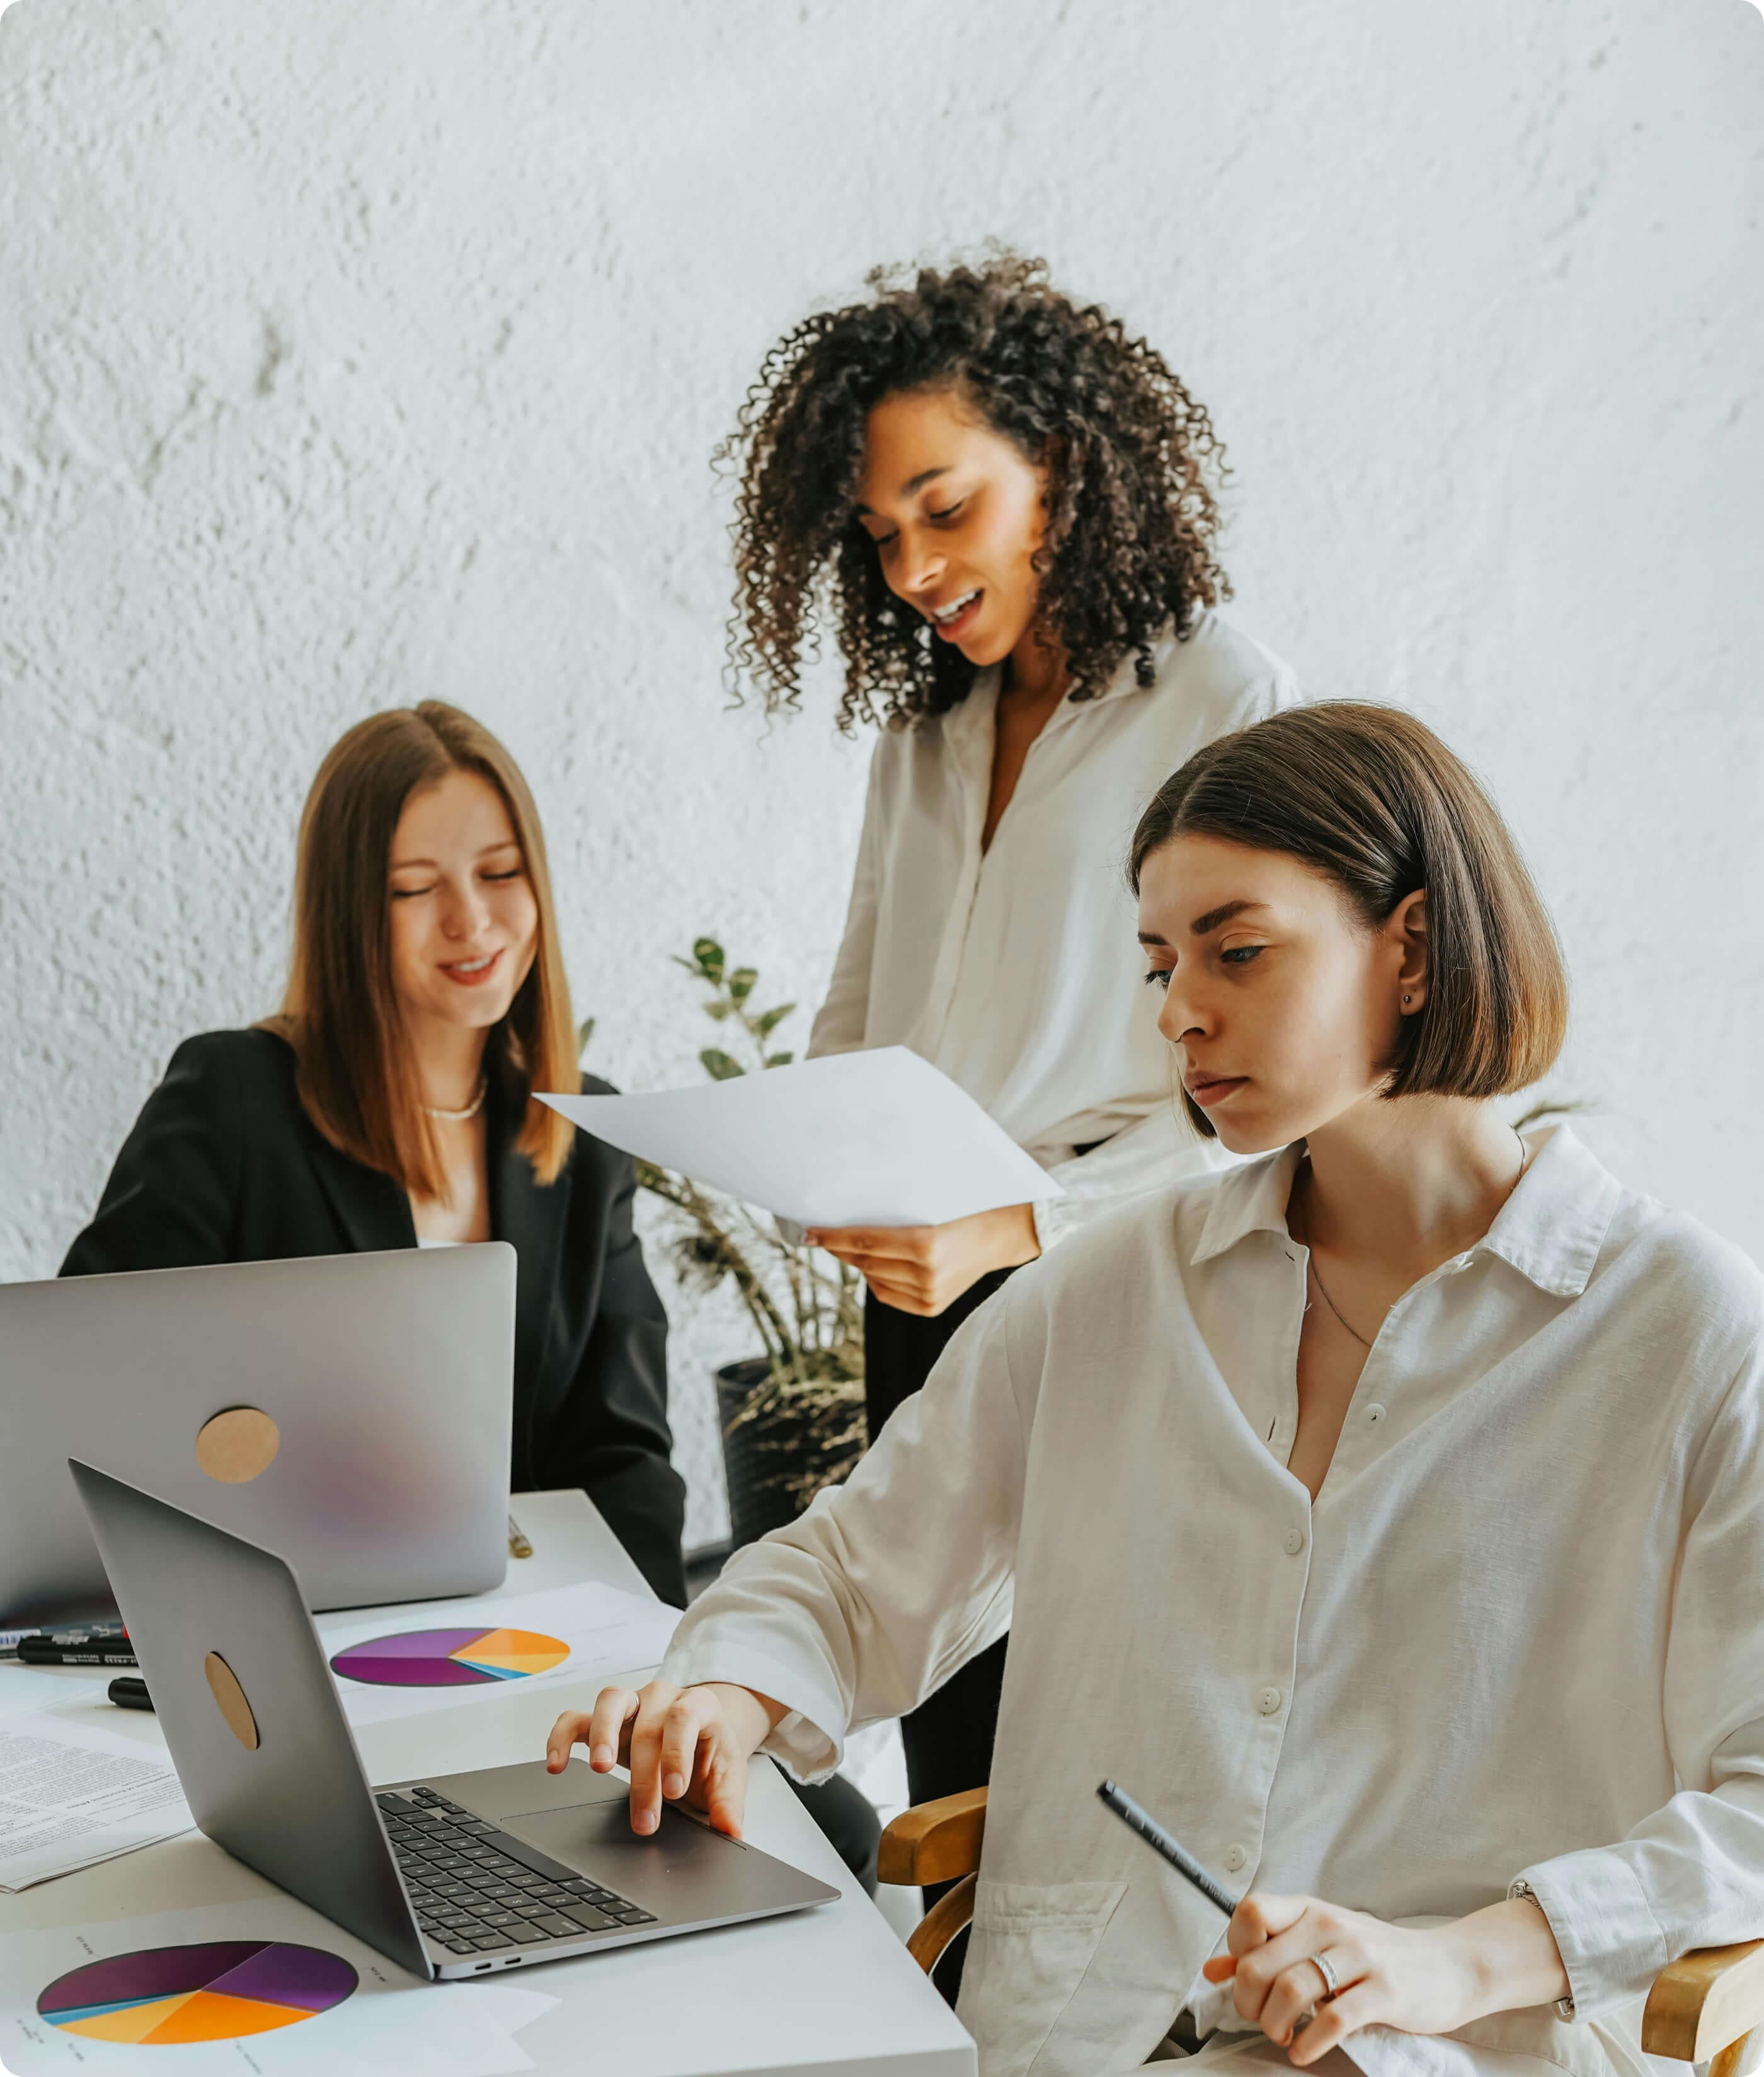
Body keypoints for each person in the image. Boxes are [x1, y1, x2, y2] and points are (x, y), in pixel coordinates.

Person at [547, 703, 1764, 2077]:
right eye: (1156, 963)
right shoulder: (1106, 1294)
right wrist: (725, 1692)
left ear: (1410, 948)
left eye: (1234, 951)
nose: (1179, 1009)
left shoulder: (1679, 1330)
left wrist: (1465, 1955)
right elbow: (850, 1571)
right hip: (1078, 2034)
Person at [58, 700, 881, 1889]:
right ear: (350, 913)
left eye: (502, 873)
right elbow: (81, 1396)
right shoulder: (233, 1097)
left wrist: (656, 1672)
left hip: (519, 1643)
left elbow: (628, 1461)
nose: (473, 921)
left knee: (829, 1835)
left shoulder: (576, 1133)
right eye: (413, 890)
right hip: (290, 1651)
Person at [721, 253, 1298, 1812]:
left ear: (1058, 469)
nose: (909, 563)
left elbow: (1265, 1090)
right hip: (922, 1299)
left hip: (1113, 1284)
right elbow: (859, 1011)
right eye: (879, 531)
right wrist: (818, 1174)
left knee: (1095, 1768)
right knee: (952, 1779)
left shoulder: (1217, 699)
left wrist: (1022, 1219)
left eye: (945, 507)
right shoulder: (926, 731)